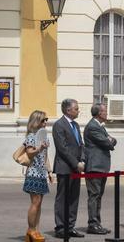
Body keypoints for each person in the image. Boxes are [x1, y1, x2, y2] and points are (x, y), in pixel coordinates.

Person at [52, 98, 86, 239]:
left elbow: (81, 144)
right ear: (68, 110)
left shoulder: (76, 125)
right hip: (65, 167)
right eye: (76, 108)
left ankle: (70, 226)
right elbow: (62, 148)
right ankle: (61, 227)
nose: (78, 111)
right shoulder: (59, 125)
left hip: (77, 167)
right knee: (63, 199)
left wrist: (82, 160)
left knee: (74, 198)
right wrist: (75, 163)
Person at [84, 103, 117, 235]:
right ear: (98, 113)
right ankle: (93, 224)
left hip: (101, 166)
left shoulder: (99, 126)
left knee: (98, 196)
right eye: (104, 111)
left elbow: (111, 140)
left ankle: (97, 223)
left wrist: (110, 140)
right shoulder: (93, 126)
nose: (106, 112)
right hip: (94, 166)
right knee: (94, 195)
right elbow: (107, 143)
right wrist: (110, 141)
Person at [22, 110, 52, 242]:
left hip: (41, 173)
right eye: (43, 120)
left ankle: (36, 229)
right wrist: (39, 148)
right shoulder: (31, 136)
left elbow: (45, 156)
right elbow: (29, 153)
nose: (46, 122)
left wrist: (50, 171)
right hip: (33, 172)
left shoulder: (45, 136)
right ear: (37, 121)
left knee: (39, 203)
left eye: (46, 119)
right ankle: (31, 230)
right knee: (35, 202)